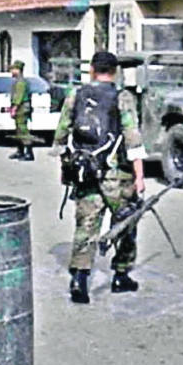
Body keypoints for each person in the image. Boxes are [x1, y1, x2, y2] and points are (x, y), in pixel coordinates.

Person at [50, 51, 147, 304]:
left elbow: (61, 133)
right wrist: (139, 176)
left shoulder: (76, 95)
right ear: (114, 72)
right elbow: (132, 137)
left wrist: (65, 168)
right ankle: (121, 274)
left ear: (92, 69)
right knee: (126, 222)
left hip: (85, 172)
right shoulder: (122, 97)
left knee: (86, 226)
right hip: (117, 176)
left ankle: (79, 280)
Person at [8, 60, 35, 161]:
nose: (11, 72)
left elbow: (19, 97)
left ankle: (29, 152)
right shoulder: (19, 81)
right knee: (18, 130)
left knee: (23, 130)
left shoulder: (21, 82)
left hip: (22, 108)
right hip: (20, 108)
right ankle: (20, 150)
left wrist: (14, 108)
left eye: (13, 69)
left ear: (18, 70)